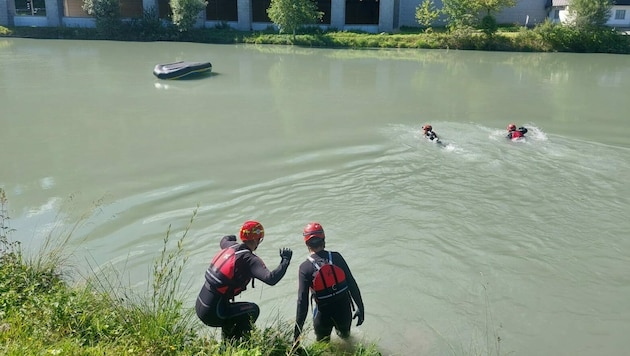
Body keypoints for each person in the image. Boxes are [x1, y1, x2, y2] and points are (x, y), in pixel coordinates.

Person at [195, 220, 293, 341]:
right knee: (252, 310)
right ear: (256, 240)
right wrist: (285, 261)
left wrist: (233, 237)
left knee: (233, 314)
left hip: (201, 304)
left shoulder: (230, 245)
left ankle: (227, 347)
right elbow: (271, 279)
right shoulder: (249, 259)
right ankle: (240, 347)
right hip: (214, 313)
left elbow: (224, 239)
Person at [294, 222, 365, 343]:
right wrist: (360, 308)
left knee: (323, 348)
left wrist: (297, 335)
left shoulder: (305, 268)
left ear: (306, 243)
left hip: (323, 317)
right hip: (344, 313)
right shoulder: (336, 257)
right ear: (324, 239)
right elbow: (352, 283)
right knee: (347, 342)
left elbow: (302, 302)